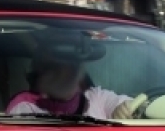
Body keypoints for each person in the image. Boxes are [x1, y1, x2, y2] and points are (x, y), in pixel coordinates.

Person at [7, 29, 137, 120]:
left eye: (74, 66)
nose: (68, 72)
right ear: (43, 73)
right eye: (58, 67)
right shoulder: (24, 108)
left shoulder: (95, 98)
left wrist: (123, 110)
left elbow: (130, 105)